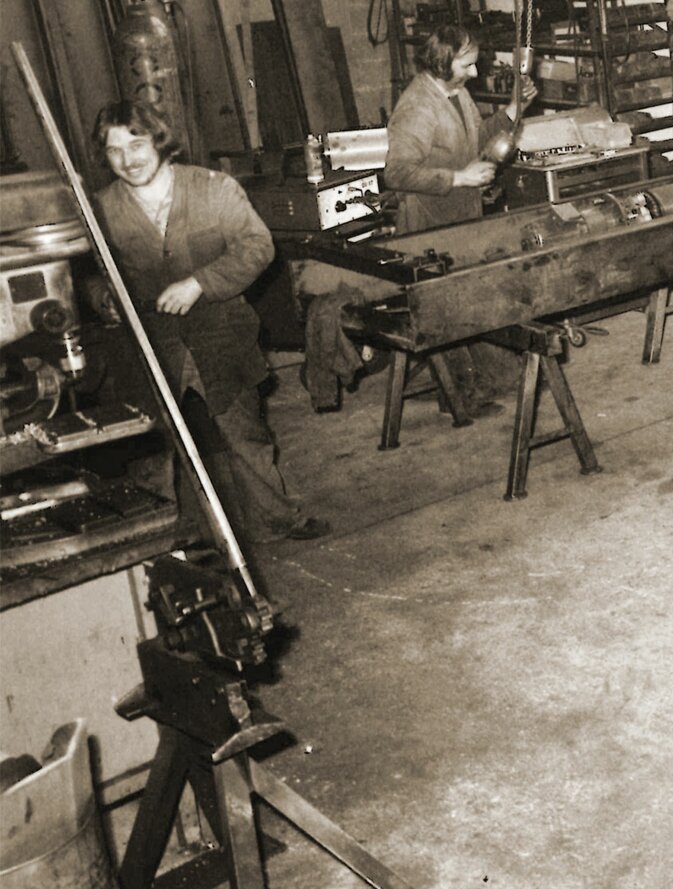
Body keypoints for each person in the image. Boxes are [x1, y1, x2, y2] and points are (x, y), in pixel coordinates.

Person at [92, 100, 329, 543]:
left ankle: (278, 518)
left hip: (221, 332)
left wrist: (200, 283)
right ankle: (163, 541)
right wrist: (102, 298)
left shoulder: (213, 189)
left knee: (245, 434)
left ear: (158, 140)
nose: (128, 159)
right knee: (151, 446)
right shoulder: (100, 211)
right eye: (114, 150)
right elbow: (89, 274)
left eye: (136, 144)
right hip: (148, 342)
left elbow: (257, 247)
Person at [383, 24, 536, 414]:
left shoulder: (457, 93)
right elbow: (396, 173)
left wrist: (511, 111)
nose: (475, 72)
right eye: (467, 65)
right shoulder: (417, 107)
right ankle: (458, 398)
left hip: (461, 218)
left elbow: (476, 138)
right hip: (428, 225)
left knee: (472, 301)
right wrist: (459, 178)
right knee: (445, 311)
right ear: (441, 62)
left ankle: (488, 379)